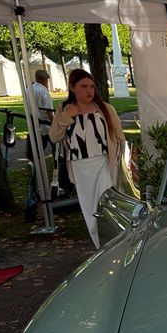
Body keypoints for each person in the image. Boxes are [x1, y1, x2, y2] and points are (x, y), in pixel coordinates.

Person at [49, 69, 125, 249]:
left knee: (107, 203)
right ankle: (102, 247)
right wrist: (67, 117)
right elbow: (54, 137)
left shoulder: (105, 108)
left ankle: (118, 242)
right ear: (72, 87)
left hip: (104, 163)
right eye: (83, 86)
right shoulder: (64, 108)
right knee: (90, 209)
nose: (89, 90)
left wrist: (123, 161)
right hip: (80, 166)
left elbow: (120, 137)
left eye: (91, 86)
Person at [26, 68, 54, 160]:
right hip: (46, 125)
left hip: (34, 124)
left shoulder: (28, 89)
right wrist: (54, 123)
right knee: (57, 149)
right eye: (46, 80)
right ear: (43, 80)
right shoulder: (43, 91)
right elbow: (48, 110)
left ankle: (35, 165)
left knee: (36, 152)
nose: (47, 83)